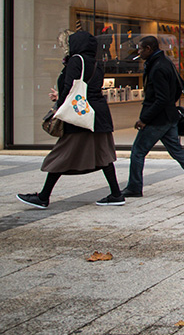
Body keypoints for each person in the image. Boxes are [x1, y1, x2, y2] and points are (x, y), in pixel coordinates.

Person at [17, 30, 124, 208]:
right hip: (98, 115)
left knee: (63, 153)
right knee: (103, 154)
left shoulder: (76, 60)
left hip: (80, 115)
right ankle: (116, 194)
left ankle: (43, 197)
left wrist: (58, 106)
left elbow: (70, 87)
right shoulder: (96, 63)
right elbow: (87, 89)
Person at [119, 36, 184, 199]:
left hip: (158, 119)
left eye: (140, 49)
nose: (139, 52)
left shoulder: (157, 67)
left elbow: (160, 99)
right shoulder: (165, 62)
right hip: (169, 116)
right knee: (176, 151)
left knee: (138, 151)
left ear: (149, 48)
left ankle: (134, 187)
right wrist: (170, 104)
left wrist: (145, 119)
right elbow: (179, 86)